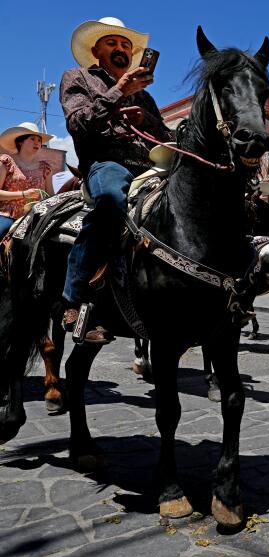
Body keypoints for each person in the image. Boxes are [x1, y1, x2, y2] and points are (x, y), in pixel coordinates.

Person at [59, 16, 172, 343]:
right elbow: (79, 123)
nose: (120, 48)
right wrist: (120, 91)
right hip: (107, 161)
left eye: (125, 44)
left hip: (151, 165)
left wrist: (145, 118)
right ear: (96, 50)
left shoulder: (146, 97)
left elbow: (163, 137)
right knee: (110, 203)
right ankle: (74, 297)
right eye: (112, 43)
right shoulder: (77, 77)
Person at [0, 122, 54, 238]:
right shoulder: (6, 162)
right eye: (32, 139)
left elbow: (50, 195)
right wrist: (23, 194)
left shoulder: (46, 168)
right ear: (20, 141)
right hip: (7, 216)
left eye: (39, 140)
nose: (37, 143)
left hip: (36, 216)